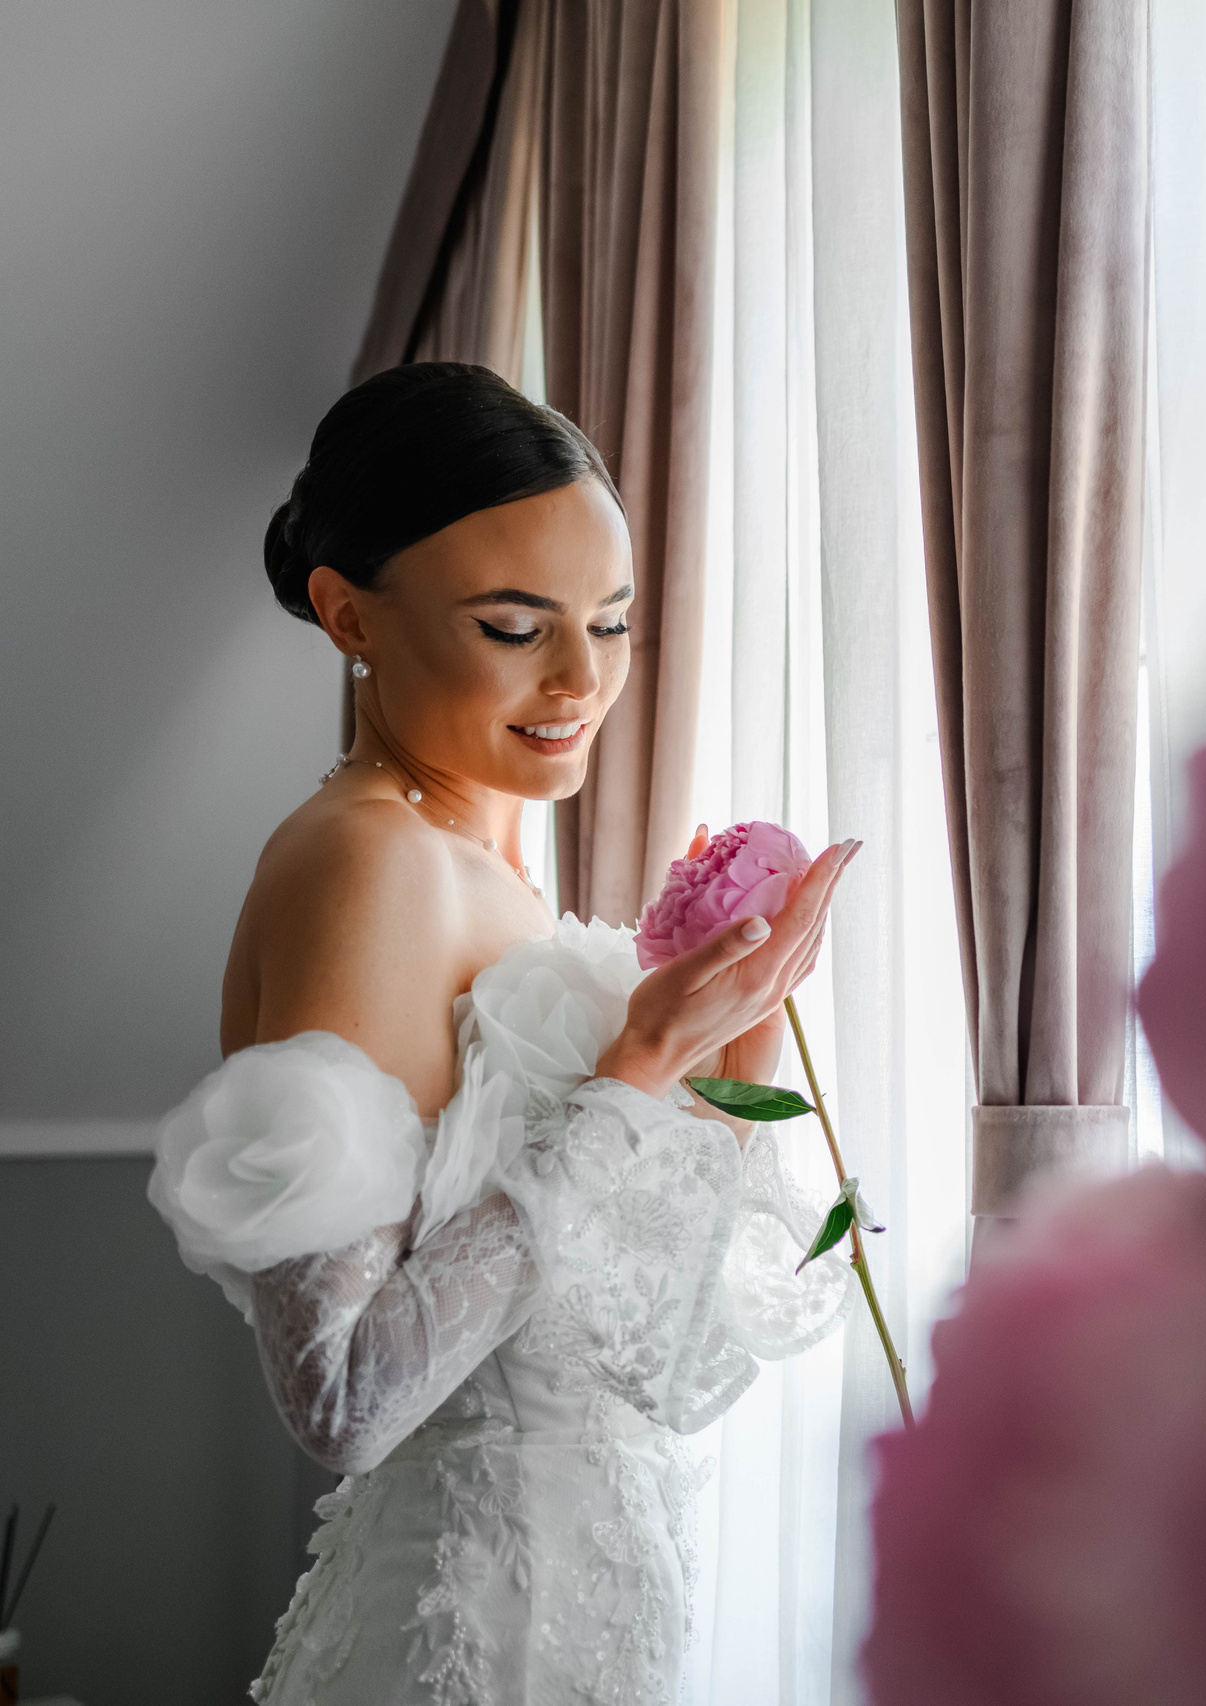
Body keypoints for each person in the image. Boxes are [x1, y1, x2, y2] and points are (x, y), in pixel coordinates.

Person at [147, 362, 860, 1705]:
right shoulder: (366, 864)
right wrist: (636, 1069)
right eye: (514, 624)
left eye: (613, 619)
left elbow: (641, 1356)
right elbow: (344, 1398)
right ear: (349, 613)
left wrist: (728, 1050)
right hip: (466, 1642)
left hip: (591, 1612)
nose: (583, 677)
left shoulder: (491, 873)